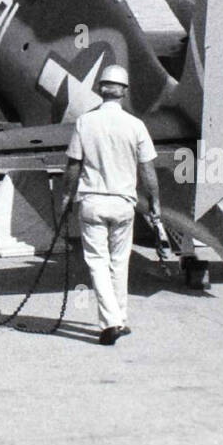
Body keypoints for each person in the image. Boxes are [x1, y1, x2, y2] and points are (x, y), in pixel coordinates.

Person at [63, 62, 164, 346]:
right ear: (124, 92)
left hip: (92, 202)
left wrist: (64, 197)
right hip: (123, 204)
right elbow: (148, 171)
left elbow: (72, 166)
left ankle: (110, 323)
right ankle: (120, 318)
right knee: (120, 263)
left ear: (100, 89)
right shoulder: (136, 126)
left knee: (97, 262)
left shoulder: (85, 122)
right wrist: (155, 202)